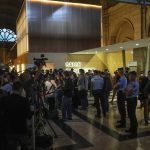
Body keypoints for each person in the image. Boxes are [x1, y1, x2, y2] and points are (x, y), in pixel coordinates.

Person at [0, 81, 31, 150]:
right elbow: (29, 116)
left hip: (9, 130)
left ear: (12, 88)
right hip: (21, 129)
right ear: (20, 89)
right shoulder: (24, 101)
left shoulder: (4, 99)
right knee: (24, 147)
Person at [125, 71, 139, 137]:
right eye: (129, 75)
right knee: (130, 115)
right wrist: (127, 92)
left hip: (133, 100)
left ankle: (134, 132)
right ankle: (131, 128)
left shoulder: (136, 83)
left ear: (134, 76)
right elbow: (125, 90)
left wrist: (127, 92)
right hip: (129, 99)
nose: (129, 77)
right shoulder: (130, 82)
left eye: (131, 75)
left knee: (133, 115)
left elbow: (130, 92)